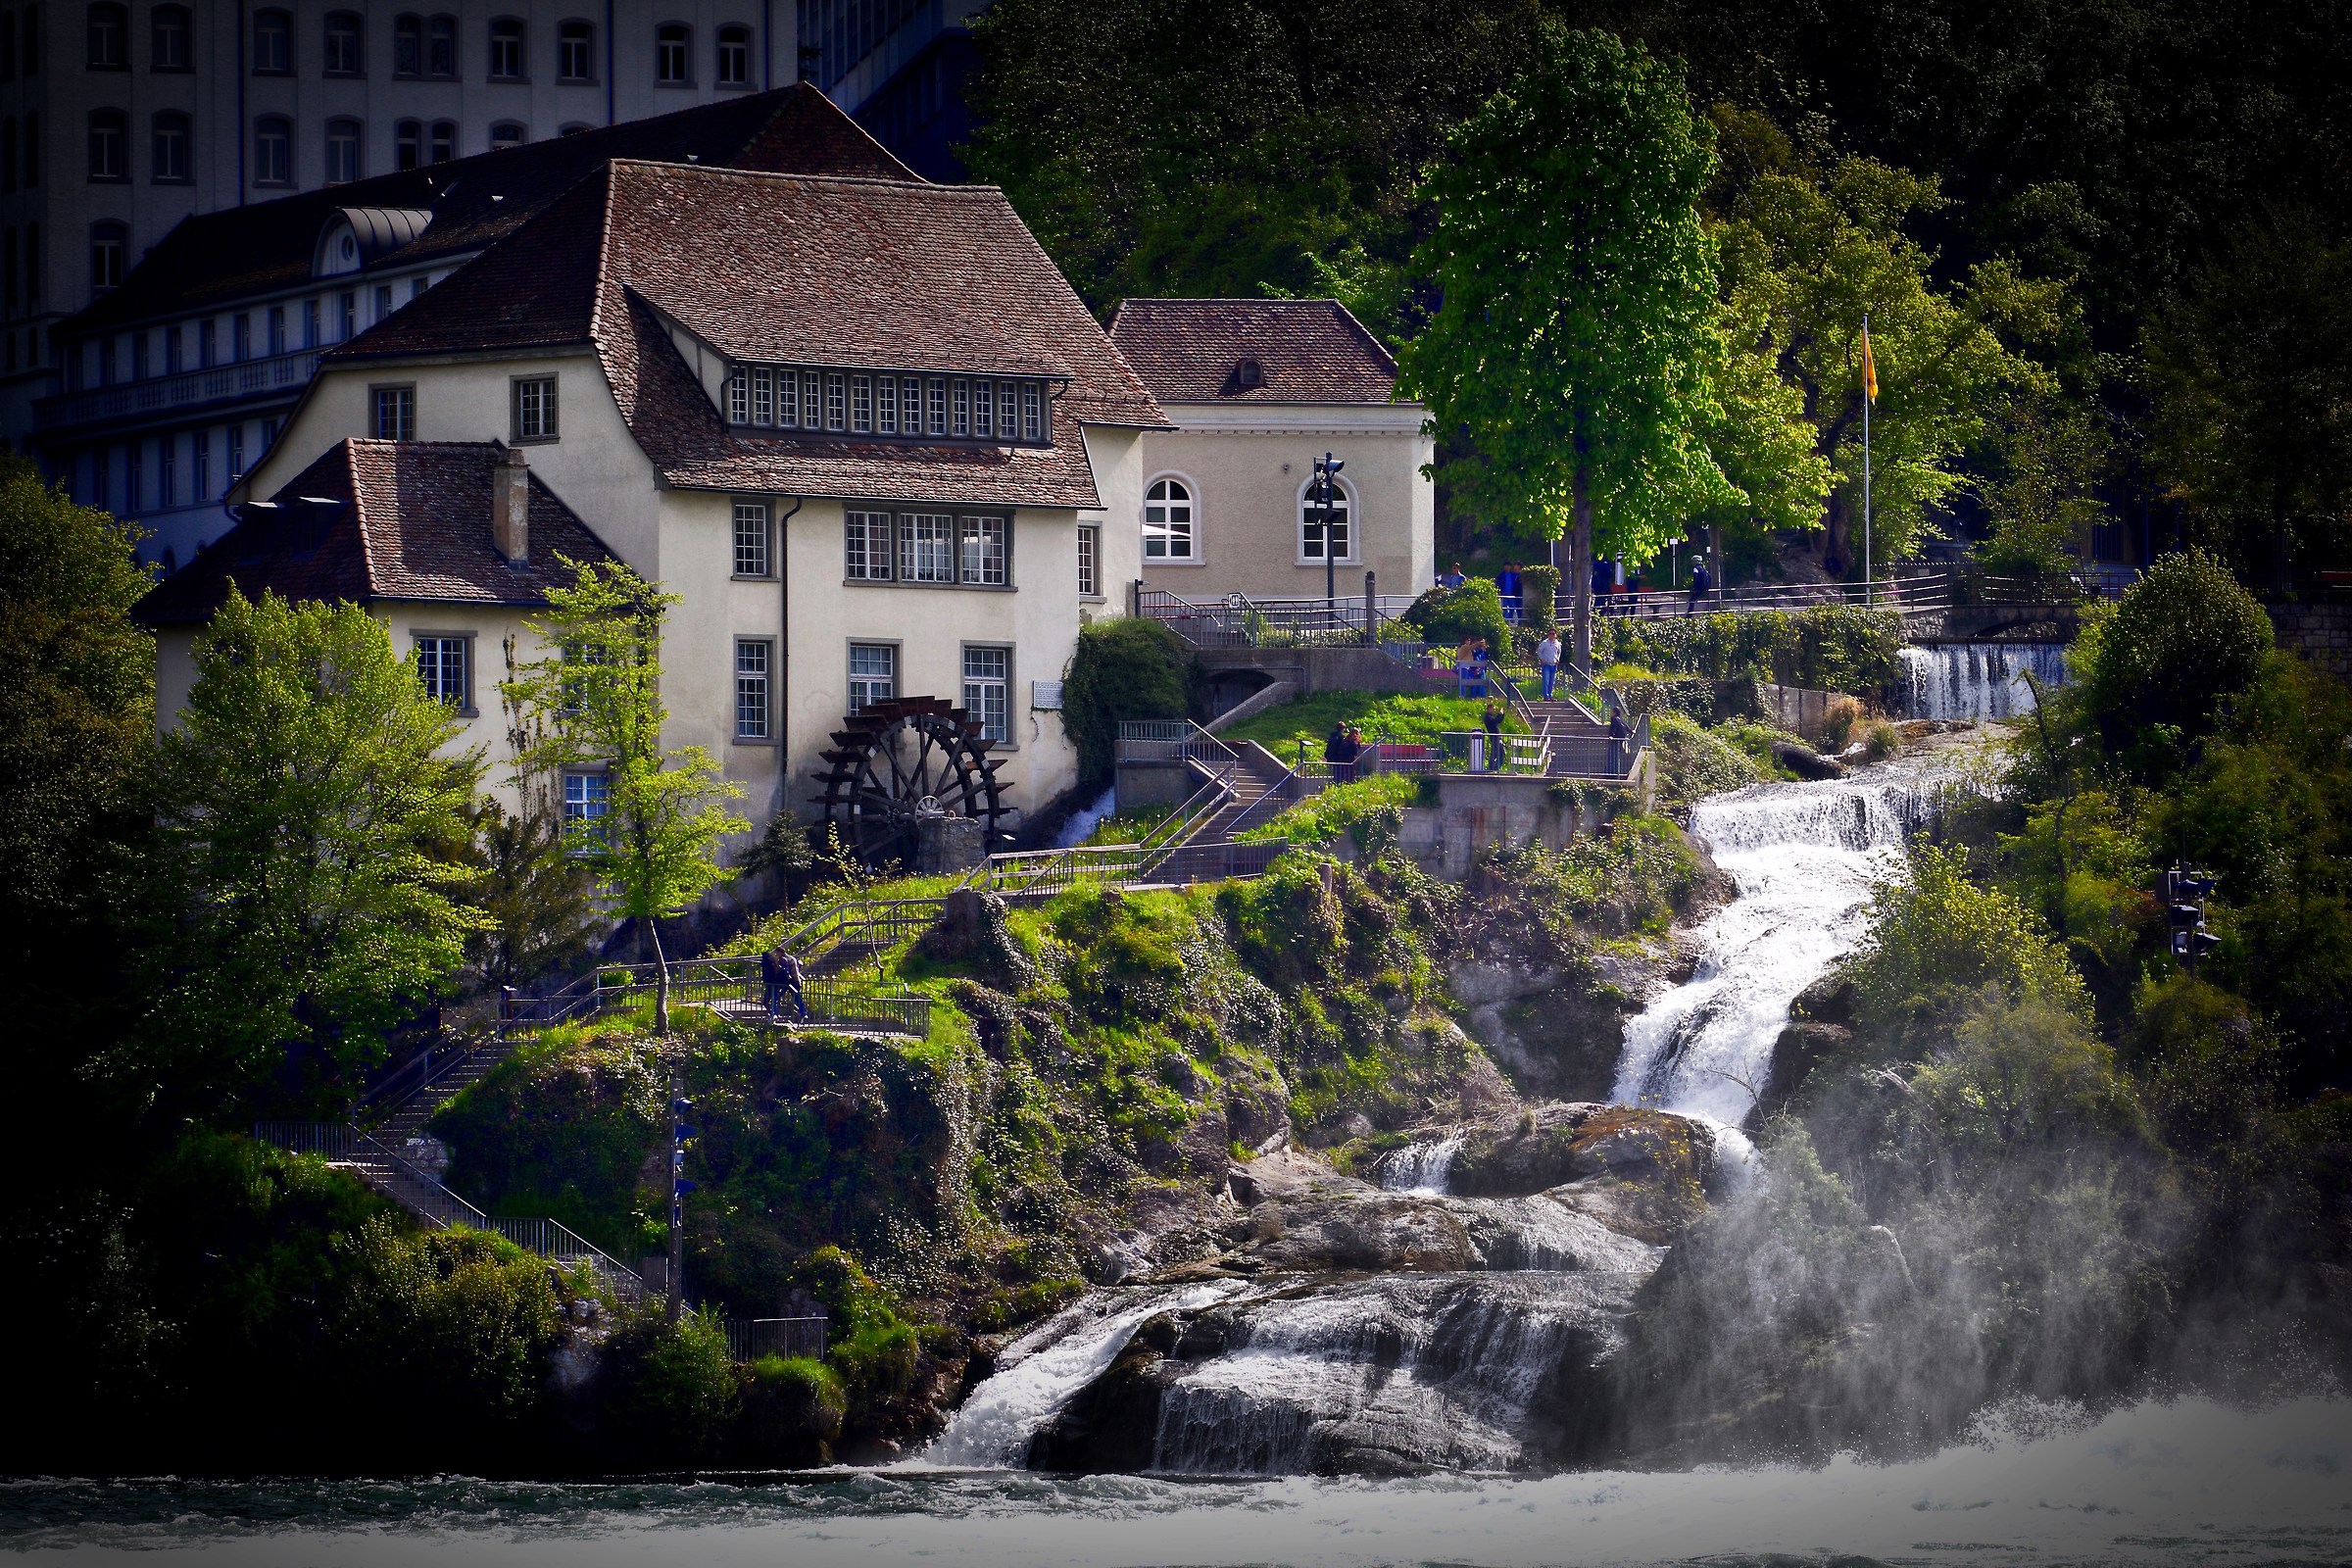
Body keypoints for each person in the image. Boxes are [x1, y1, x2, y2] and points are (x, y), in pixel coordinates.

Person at [776, 947, 809, 1023]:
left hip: (789, 981)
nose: (776, 955)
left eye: (777, 953)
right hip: (796, 980)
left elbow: (784, 970)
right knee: (797, 997)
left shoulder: (783, 959)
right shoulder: (792, 958)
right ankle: (803, 1012)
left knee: (778, 996)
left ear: (780, 952)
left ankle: (776, 1013)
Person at [1536, 626, 1562, 700]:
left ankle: (1550, 695)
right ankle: (1546, 696)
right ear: (1548, 634)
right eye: (1550, 634)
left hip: (1554, 664)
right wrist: (1542, 658)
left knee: (1552, 681)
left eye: (1553, 634)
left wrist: (1558, 659)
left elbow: (1559, 652)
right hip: (1546, 664)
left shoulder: (1558, 644)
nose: (1552, 635)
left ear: (1555, 635)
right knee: (1546, 681)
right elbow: (1539, 651)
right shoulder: (1544, 643)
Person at [1606, 702, 1630, 776]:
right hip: (1622, 738)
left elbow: (1613, 728)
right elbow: (1626, 726)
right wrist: (1631, 731)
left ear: (1615, 713)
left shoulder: (1614, 719)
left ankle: (1611, 773)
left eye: (1611, 712)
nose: (1610, 713)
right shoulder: (1620, 719)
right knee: (1617, 756)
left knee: (1613, 756)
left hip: (1616, 739)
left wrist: (1611, 735)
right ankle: (1615, 773)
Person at [1482, 701, 1506, 771]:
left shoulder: (1491, 717)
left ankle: (1495, 768)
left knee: (1502, 753)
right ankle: (1490, 768)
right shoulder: (1487, 717)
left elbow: (1498, 721)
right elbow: (1495, 721)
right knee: (1494, 753)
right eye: (1493, 709)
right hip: (1495, 738)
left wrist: (1502, 714)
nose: (1494, 710)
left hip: (1498, 738)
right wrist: (1499, 715)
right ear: (1489, 708)